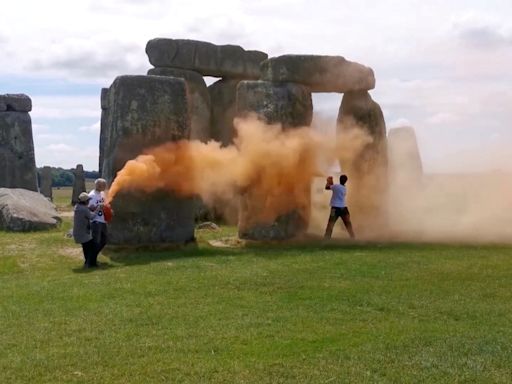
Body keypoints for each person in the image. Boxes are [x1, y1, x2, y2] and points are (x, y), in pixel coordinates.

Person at [324, 174, 355, 239]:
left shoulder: (336, 186)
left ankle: (326, 238)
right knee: (348, 224)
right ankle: (352, 237)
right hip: (344, 208)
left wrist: (328, 181)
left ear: (339, 179)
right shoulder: (344, 188)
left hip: (335, 208)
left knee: (330, 224)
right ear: (346, 181)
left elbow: (327, 187)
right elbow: (334, 187)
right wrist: (331, 182)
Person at [73, 192, 99, 268]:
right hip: (84, 232)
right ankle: (89, 263)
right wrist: (98, 209)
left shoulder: (78, 207)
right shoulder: (84, 209)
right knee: (91, 248)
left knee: (86, 248)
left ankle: (90, 263)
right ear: (85, 201)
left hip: (79, 232)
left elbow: (86, 212)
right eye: (88, 200)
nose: (89, 201)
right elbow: (92, 217)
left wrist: (90, 209)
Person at [88, 178, 108, 261]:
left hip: (103, 220)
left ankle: (93, 257)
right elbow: (90, 208)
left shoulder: (102, 193)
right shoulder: (92, 195)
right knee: (96, 241)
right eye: (103, 185)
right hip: (96, 221)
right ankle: (91, 260)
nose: (105, 187)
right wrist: (98, 207)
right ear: (99, 185)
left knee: (104, 240)